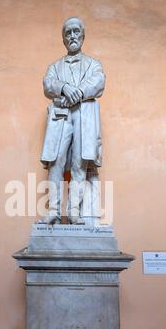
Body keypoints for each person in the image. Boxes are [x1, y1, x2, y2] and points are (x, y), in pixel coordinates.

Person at [39, 17, 105, 225]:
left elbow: (98, 82)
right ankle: (54, 211)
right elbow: (48, 84)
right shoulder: (54, 67)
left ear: (83, 36)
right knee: (55, 162)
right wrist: (64, 88)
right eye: (68, 33)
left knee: (79, 163)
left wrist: (78, 92)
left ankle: (74, 211)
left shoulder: (94, 64)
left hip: (83, 115)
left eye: (76, 32)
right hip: (61, 117)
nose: (72, 36)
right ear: (64, 39)